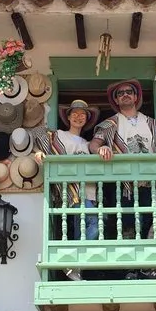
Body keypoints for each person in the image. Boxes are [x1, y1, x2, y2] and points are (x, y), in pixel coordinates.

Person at [89, 79, 156, 280]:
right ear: (116, 101)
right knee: (128, 225)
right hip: (125, 184)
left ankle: (150, 265)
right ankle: (129, 270)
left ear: (136, 96)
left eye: (129, 91)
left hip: (151, 183)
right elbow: (94, 144)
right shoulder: (110, 123)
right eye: (120, 93)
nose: (125, 95)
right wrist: (101, 149)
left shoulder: (151, 123)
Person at [34, 99, 100, 281]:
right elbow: (36, 133)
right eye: (75, 113)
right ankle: (71, 261)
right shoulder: (58, 136)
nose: (78, 117)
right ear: (68, 117)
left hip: (89, 191)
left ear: (87, 119)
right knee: (95, 224)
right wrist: (38, 151)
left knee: (83, 230)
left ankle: (75, 269)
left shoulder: (88, 144)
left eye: (83, 114)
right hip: (71, 190)